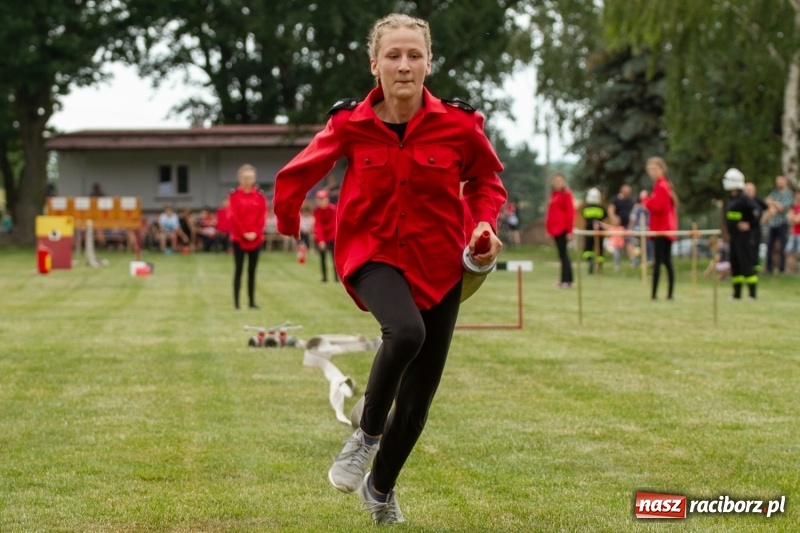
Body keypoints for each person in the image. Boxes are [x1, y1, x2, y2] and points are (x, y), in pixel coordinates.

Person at [272, 13, 506, 525]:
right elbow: (298, 172)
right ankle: (366, 434)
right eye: (394, 56)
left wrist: (484, 224)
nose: (404, 65)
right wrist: (289, 220)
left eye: (414, 55)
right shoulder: (350, 123)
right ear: (374, 64)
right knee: (404, 332)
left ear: (429, 63)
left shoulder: (460, 125)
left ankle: (379, 488)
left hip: (440, 264)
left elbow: (486, 181)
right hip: (371, 254)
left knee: (419, 401)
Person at [228, 164, 268, 310]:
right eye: (245, 177)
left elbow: (262, 216)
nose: (247, 180)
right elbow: (233, 216)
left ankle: (251, 302)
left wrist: (255, 233)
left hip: (255, 238)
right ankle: (236, 303)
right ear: (240, 178)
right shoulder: (234, 196)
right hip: (239, 238)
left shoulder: (259, 196)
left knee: (252, 271)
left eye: (250, 177)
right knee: (238, 270)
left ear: (254, 178)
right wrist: (244, 232)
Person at [642, 156, 678, 300]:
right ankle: (667, 294)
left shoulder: (662, 186)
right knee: (665, 261)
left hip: (662, 229)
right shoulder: (661, 185)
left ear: (662, 169)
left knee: (660, 261)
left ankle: (656, 294)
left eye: (654, 169)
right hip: (662, 227)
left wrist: (645, 199)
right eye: (650, 170)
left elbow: (657, 206)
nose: (652, 172)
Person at [722, 168, 758, 299]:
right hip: (734, 237)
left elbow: (757, 211)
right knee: (735, 264)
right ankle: (736, 294)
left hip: (744, 238)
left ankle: (752, 294)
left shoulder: (744, 198)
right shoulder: (731, 198)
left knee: (746, 263)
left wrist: (749, 224)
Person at [545, 173, 575, 287]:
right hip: (554, 229)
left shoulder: (566, 195)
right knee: (562, 254)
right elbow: (550, 213)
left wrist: (570, 231)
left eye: (559, 181)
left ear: (563, 182)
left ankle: (565, 280)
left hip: (563, 229)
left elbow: (570, 213)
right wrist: (548, 229)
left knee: (564, 254)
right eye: (555, 181)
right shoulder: (554, 195)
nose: (557, 183)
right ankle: (568, 280)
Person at [764, 175, 794, 274]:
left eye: (781, 181)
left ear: (785, 182)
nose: (779, 183)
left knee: (783, 246)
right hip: (773, 223)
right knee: (769, 245)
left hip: (783, 224)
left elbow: (782, 208)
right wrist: (775, 204)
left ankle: (782, 268)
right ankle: (769, 268)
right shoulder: (774, 192)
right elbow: (767, 202)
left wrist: (772, 203)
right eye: (778, 181)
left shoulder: (789, 194)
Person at [313, 189, 338, 282]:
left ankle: (337, 278)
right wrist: (321, 240)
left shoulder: (333, 209)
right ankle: (324, 277)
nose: (321, 201)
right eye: (319, 199)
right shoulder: (316, 211)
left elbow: (334, 225)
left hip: (333, 236)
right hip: (323, 238)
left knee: (335, 259)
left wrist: (331, 238)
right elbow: (318, 226)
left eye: (323, 199)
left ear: (327, 199)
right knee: (322, 258)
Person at [581, 187, 606, 274]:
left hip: (589, 231)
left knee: (588, 248)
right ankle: (599, 265)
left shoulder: (586, 208)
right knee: (599, 248)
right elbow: (604, 216)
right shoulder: (601, 208)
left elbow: (584, 216)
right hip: (599, 231)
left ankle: (590, 260)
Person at [744, 181, 767, 272]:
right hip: (743, 231)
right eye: (747, 190)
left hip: (755, 230)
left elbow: (768, 208)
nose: (749, 191)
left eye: (750, 189)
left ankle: (755, 268)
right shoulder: (742, 202)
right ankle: (745, 267)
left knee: (754, 249)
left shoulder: (758, 202)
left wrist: (764, 220)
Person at [628, 190, 651, 267]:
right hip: (637, 230)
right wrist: (630, 229)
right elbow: (632, 219)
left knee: (648, 244)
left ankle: (648, 260)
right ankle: (634, 261)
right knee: (634, 243)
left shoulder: (650, 206)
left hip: (648, 230)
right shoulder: (637, 207)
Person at [785, 190, 800, 273]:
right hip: (793, 233)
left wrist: (793, 217)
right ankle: (789, 271)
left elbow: (797, 220)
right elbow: (789, 218)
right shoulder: (794, 207)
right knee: (789, 252)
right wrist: (793, 218)